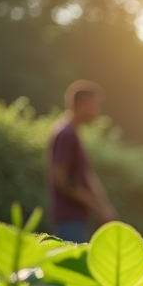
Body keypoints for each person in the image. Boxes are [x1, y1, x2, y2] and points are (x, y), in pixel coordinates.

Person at [48, 80, 116, 243]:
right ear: (81, 105)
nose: (96, 112)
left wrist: (104, 207)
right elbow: (62, 180)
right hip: (69, 220)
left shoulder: (73, 134)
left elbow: (86, 175)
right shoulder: (66, 134)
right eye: (94, 106)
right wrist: (97, 207)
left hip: (76, 219)